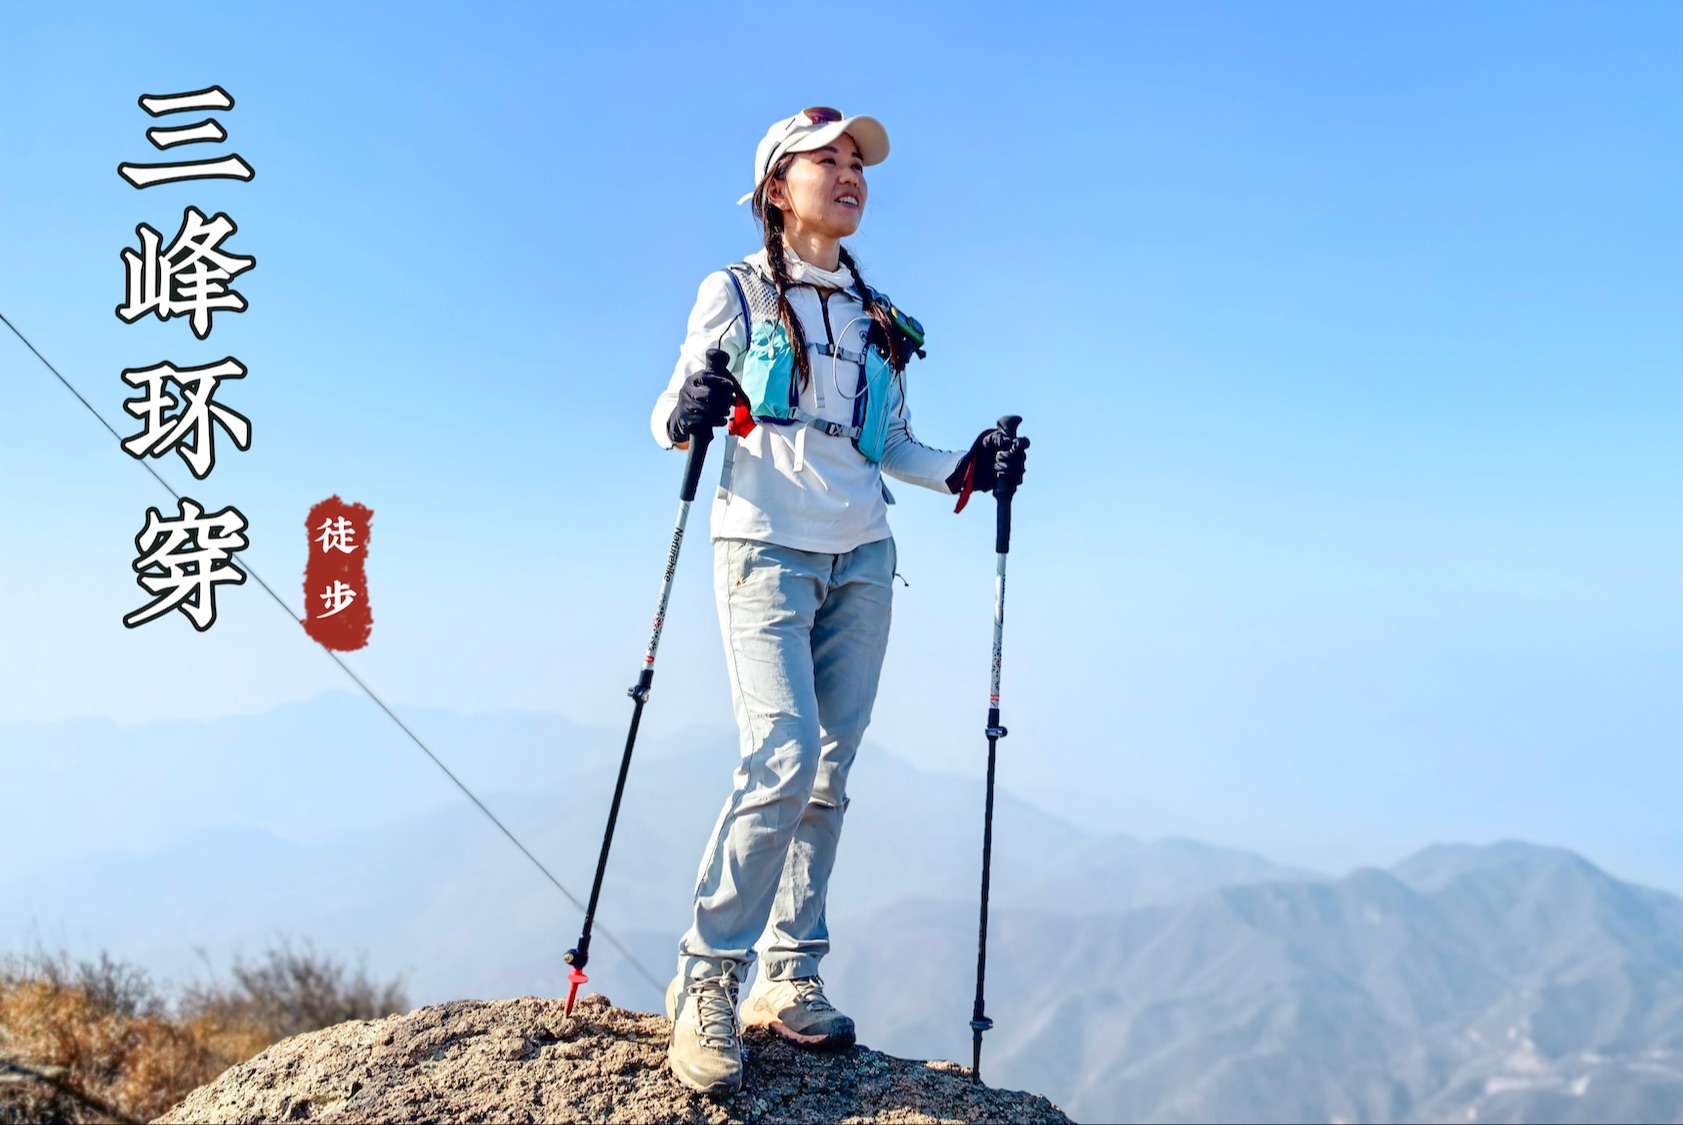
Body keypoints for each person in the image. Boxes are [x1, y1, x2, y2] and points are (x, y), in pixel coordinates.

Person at [650, 106, 1029, 1095]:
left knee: (825, 774)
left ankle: (791, 976)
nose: (851, 172)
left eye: (859, 162)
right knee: (778, 755)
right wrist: (686, 412)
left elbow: (892, 443)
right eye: (829, 159)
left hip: (861, 559)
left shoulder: (876, 315)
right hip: (764, 552)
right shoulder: (732, 291)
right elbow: (672, 408)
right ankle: (707, 982)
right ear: (777, 186)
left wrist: (971, 468)